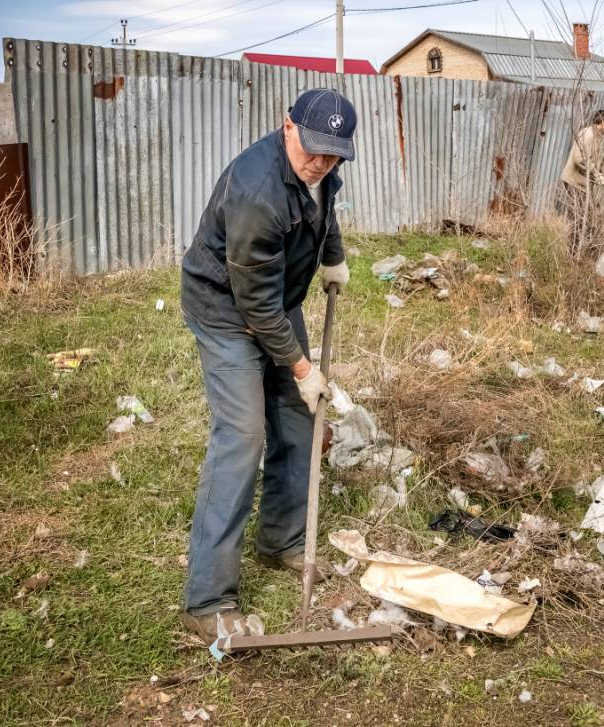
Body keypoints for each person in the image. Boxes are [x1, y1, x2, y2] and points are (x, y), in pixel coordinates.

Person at [178, 88, 357, 643]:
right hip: (226, 307)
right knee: (243, 434)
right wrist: (302, 369)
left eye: (333, 154)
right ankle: (207, 597)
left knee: (302, 421)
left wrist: (333, 259)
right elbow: (253, 305)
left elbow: (324, 210)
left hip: (276, 302)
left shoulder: (321, 168)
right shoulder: (257, 192)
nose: (321, 163)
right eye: (313, 150)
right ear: (287, 128)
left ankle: (282, 538)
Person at [558, 109, 604, 254]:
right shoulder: (588, 135)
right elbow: (579, 159)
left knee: (591, 216)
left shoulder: (598, 136)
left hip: (584, 184)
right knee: (580, 217)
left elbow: (602, 163)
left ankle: (588, 249)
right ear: (601, 122)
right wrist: (595, 174)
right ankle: (573, 253)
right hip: (575, 182)